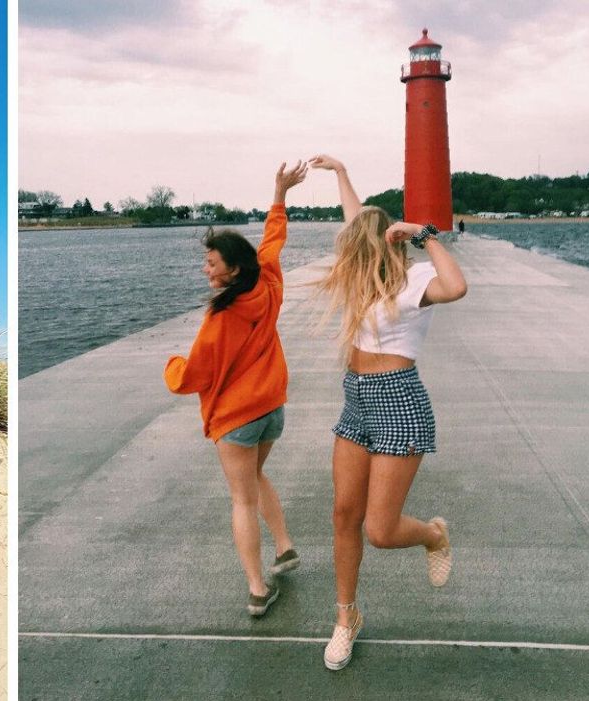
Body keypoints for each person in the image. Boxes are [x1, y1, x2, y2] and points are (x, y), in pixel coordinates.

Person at [308, 154, 466, 670]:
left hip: (399, 403)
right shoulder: (361, 277)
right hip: (356, 399)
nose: (350, 254)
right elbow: (357, 217)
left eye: (359, 245)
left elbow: (457, 287)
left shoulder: (415, 279)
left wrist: (423, 234)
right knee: (343, 514)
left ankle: (433, 534)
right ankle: (346, 618)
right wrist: (341, 173)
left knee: (380, 529)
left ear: (380, 244)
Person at [164, 161, 307, 618]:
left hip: (239, 417)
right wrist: (280, 195)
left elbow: (193, 376)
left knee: (242, 498)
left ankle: (258, 589)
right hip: (271, 407)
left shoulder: (222, 316)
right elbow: (273, 240)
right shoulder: (268, 282)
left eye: (211, 263)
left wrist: (172, 367)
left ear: (233, 269)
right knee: (256, 476)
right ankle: (284, 546)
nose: (205, 269)